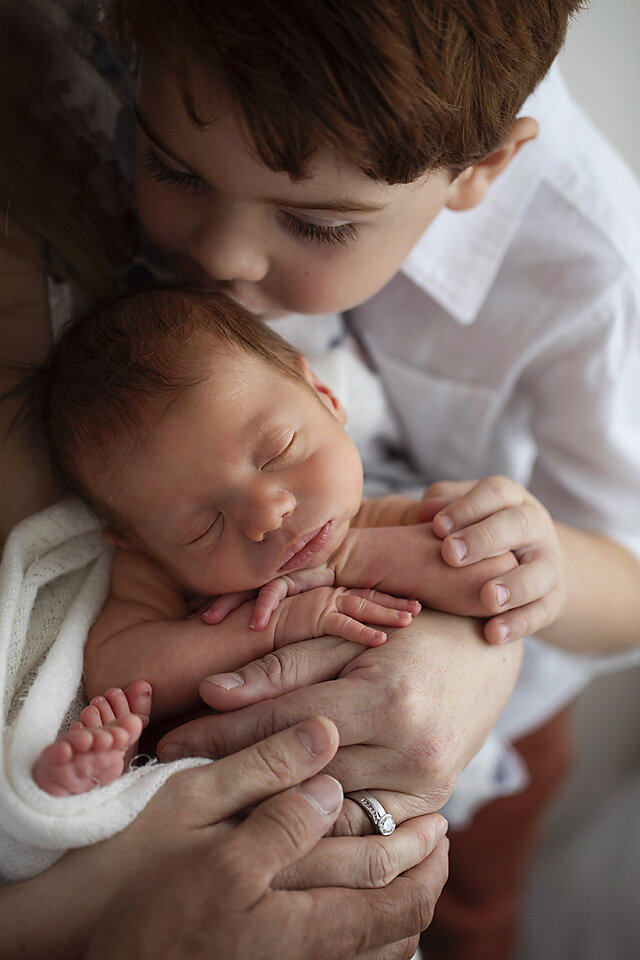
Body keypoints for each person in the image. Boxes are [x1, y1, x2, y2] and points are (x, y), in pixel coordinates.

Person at [0, 1, 638, 958]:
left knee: (475, 918)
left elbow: (631, 583)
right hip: (235, 750)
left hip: (499, 733)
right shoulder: (145, 64)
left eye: (317, 224)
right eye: (173, 166)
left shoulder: (589, 265)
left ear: (484, 170)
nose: (219, 255)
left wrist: (524, 578)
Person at [16, 283, 544, 796]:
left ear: (324, 395)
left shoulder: (391, 518)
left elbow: (492, 581)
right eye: (203, 526)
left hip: (373, 778)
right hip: (212, 785)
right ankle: (100, 779)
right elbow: (118, 667)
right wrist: (272, 628)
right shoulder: (159, 570)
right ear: (132, 540)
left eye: (279, 451)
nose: (268, 514)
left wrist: (350, 556)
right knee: (132, 756)